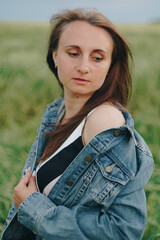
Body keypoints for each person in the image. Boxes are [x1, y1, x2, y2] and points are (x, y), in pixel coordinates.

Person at [1, 8, 154, 240]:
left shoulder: (105, 123)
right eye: (73, 53)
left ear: (110, 65)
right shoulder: (57, 112)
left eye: (97, 57)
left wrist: (35, 209)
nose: (84, 67)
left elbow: (124, 231)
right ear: (55, 56)